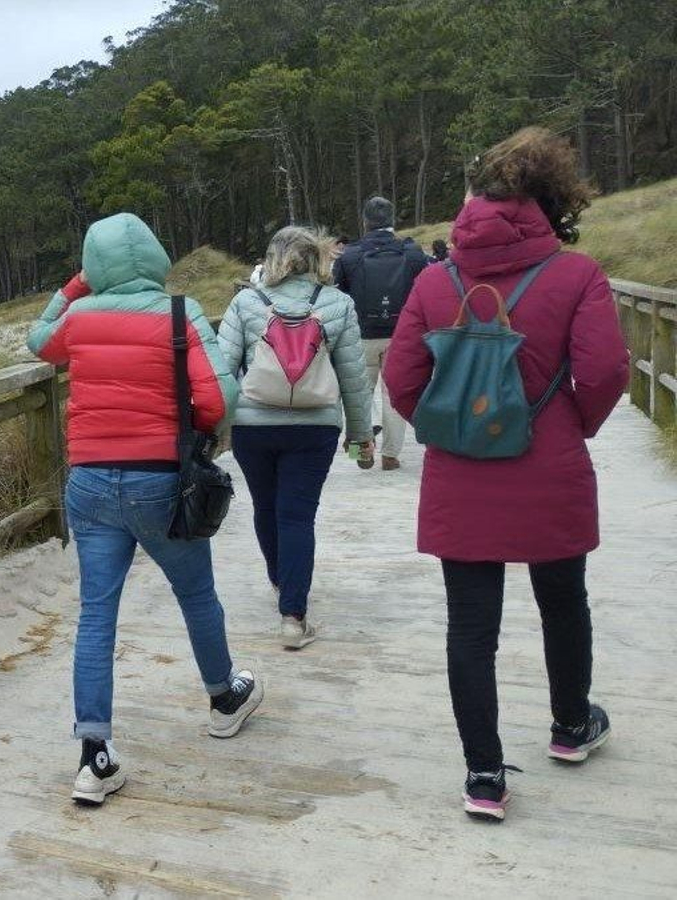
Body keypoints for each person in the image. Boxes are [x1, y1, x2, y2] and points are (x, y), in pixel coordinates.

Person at [383, 127, 628, 821]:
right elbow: (606, 371)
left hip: (462, 477)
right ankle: (571, 727)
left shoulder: (436, 279)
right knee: (563, 601)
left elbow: (401, 379)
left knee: (470, 627)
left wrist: (452, 426)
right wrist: (572, 422)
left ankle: (484, 777)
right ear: (552, 204)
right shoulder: (578, 275)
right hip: (550, 465)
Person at [28, 212, 263, 807]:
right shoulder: (180, 315)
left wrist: (76, 286)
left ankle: (94, 756)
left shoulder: (79, 319)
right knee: (196, 595)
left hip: (88, 482)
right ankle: (222, 698)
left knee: (95, 616)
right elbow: (218, 400)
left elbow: (38, 341)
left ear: (94, 262)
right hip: (161, 481)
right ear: (157, 256)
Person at [216, 226, 372, 649]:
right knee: (297, 516)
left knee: (266, 508)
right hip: (315, 427)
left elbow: (223, 372)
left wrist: (212, 430)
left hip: (253, 428)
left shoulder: (246, 303)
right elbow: (354, 379)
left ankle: (282, 581)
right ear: (316, 260)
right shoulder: (338, 304)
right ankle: (293, 616)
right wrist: (360, 435)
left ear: (273, 259)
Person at [333, 197, 428, 471]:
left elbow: (338, 297)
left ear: (365, 220)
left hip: (360, 335)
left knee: (357, 395)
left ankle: (358, 451)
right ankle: (390, 455)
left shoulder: (349, 255)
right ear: (392, 220)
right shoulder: (412, 253)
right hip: (401, 336)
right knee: (393, 395)